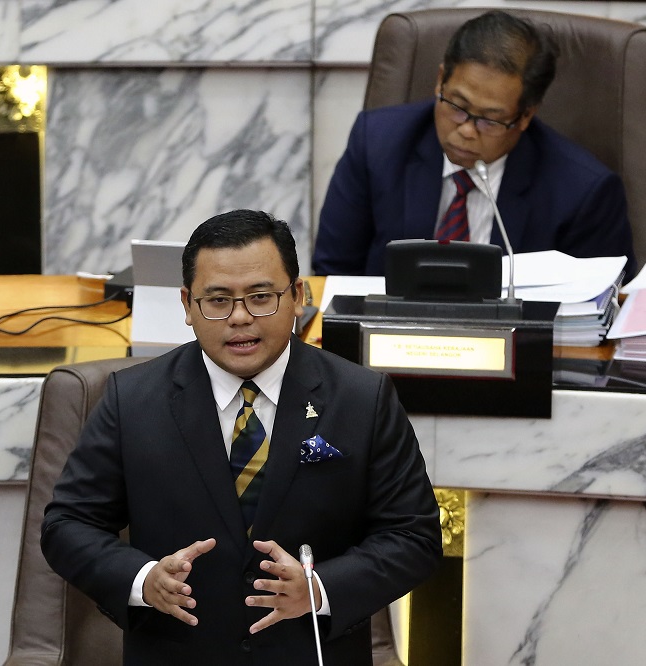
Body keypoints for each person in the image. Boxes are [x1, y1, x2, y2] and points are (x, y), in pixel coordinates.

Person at [42, 209, 442, 665]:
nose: (239, 318)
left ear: (296, 295)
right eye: (217, 300)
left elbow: (415, 535)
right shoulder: (131, 400)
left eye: (260, 297)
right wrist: (143, 579)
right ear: (187, 306)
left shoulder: (362, 398)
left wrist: (319, 589)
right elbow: (66, 525)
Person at [313, 10, 636, 279]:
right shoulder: (377, 144)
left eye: (490, 119)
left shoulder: (583, 193)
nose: (467, 130)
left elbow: (599, 313)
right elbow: (332, 272)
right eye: (456, 106)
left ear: (525, 116)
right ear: (441, 80)